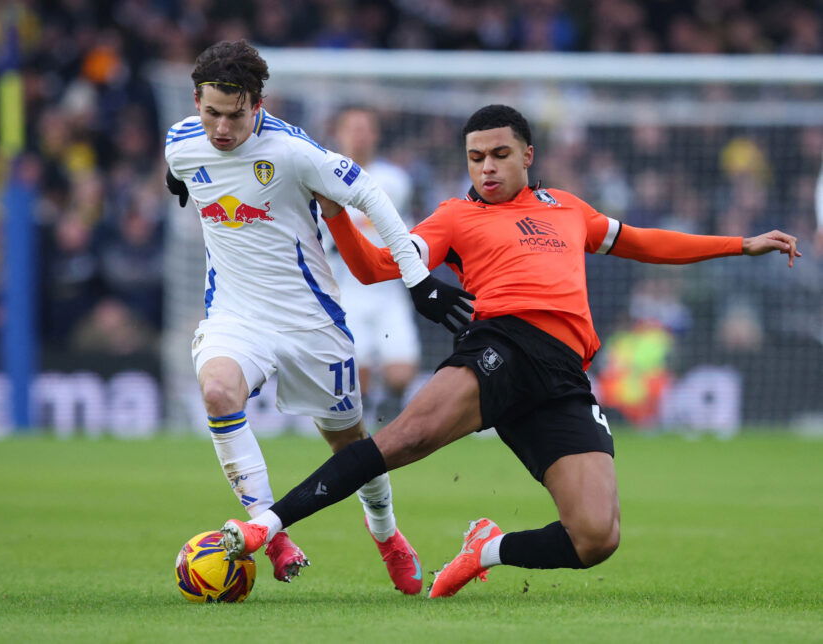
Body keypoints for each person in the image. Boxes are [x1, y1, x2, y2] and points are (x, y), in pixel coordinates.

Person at [217, 104, 801, 598]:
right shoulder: (454, 217)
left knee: (596, 539)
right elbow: (373, 267)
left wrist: (738, 245)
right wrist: (338, 211)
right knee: (403, 441)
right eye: (476, 158)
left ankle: (486, 548)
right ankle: (265, 527)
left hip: (564, 374)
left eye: (499, 154)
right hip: (502, 344)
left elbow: (642, 242)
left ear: (528, 155)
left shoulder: (569, 208)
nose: (487, 168)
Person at [163, 40, 472, 594]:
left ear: (258, 104)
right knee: (217, 393)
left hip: (310, 322)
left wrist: (417, 277)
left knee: (352, 448)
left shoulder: (293, 151)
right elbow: (182, 165)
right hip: (234, 315)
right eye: (211, 113)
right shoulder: (182, 143)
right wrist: (178, 178)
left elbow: (371, 194)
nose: (221, 129)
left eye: (235, 116)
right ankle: (270, 532)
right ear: (196, 101)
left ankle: (386, 533)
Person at [323, 107, 420, 426]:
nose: (359, 135)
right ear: (339, 133)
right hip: (347, 287)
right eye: (352, 128)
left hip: (388, 287)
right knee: (357, 376)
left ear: (376, 134)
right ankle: (363, 434)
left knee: (401, 373)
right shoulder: (323, 178)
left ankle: (391, 412)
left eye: (365, 128)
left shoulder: (394, 181)